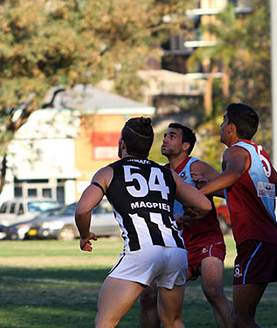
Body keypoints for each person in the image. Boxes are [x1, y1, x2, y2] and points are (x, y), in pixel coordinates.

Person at [75, 117, 212, 328]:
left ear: (122, 144)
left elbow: (83, 209)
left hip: (143, 251)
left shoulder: (109, 172)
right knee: (174, 322)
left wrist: (85, 235)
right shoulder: (167, 173)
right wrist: (184, 218)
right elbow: (204, 205)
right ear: (148, 148)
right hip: (176, 251)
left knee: (105, 321)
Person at [198, 103, 277, 328]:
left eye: (223, 121)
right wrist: (276, 232)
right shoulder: (259, 155)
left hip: (256, 243)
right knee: (241, 319)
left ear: (231, 128)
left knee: (241, 321)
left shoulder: (235, 151)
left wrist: (198, 193)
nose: (221, 126)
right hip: (269, 243)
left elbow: (232, 174)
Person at [139, 123, 231, 328]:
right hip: (176, 244)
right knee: (148, 294)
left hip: (206, 239)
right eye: (164, 135)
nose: (164, 139)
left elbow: (227, 191)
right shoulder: (159, 173)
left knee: (213, 291)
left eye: (172, 136)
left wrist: (204, 188)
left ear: (185, 146)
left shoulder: (195, 166)